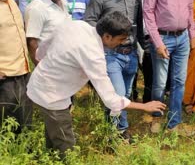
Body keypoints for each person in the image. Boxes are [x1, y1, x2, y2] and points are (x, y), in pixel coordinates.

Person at [26, 11, 166, 157]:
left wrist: (41, 59)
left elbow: (45, 44)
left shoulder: (77, 25)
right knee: (66, 146)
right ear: (107, 36)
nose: (122, 43)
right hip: (51, 96)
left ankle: (49, 158)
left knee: (53, 134)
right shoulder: (93, 55)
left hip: (41, 82)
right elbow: (111, 100)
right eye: (120, 39)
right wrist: (144, 106)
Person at [84, 0, 142, 139]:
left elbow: (139, 24)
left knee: (124, 93)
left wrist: (141, 50)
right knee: (116, 95)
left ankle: (113, 127)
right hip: (110, 54)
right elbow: (89, 22)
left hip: (130, 52)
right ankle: (118, 132)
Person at [143, 0, 195, 133]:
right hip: (162, 38)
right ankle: (156, 118)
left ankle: (174, 122)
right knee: (160, 81)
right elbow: (148, 11)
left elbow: (190, 8)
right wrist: (157, 42)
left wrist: (192, 34)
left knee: (179, 81)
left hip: (182, 38)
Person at [0, 0, 33, 133]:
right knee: (7, 126)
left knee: (25, 120)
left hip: (22, 70)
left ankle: (26, 153)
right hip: (5, 76)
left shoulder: (11, 0)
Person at [25, 0, 71, 66]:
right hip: (50, 67)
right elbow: (31, 42)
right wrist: (42, 70)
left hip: (67, 62)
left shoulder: (64, 2)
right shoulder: (37, 9)